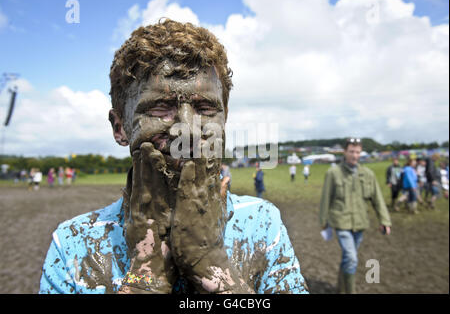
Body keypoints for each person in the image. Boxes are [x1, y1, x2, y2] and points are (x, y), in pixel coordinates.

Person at [40, 19, 308, 294]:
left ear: (225, 117)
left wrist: (213, 266)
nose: (188, 131)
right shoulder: (74, 244)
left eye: (205, 107)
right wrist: (147, 277)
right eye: (160, 108)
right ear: (119, 127)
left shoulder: (262, 223)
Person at [319, 138, 391, 294]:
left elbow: (377, 199)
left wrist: (384, 220)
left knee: (348, 258)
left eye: (357, 152)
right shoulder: (333, 173)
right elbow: (326, 198)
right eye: (351, 151)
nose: (354, 155)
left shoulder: (368, 174)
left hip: (360, 223)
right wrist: (323, 222)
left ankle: (340, 289)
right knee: (351, 258)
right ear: (345, 152)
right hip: (341, 222)